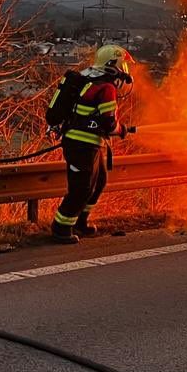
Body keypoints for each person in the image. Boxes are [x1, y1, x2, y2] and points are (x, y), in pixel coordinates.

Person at [47, 44, 134, 243]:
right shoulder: (106, 88)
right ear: (114, 65)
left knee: (99, 182)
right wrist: (122, 130)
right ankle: (61, 228)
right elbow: (109, 123)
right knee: (82, 188)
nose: (125, 72)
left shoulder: (90, 79)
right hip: (81, 145)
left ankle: (80, 222)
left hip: (89, 144)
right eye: (123, 65)